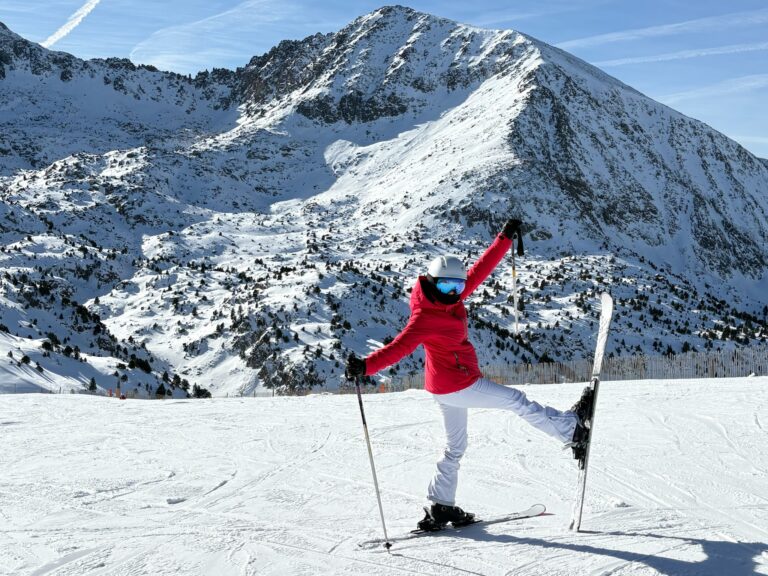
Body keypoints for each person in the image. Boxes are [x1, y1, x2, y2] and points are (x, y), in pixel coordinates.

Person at [345, 219, 594, 531]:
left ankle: (441, 505)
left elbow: (479, 270)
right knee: (516, 400)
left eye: (458, 287)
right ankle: (570, 431)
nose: (455, 292)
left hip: (443, 386)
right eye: (448, 287)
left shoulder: (449, 299)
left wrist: (504, 239)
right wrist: (366, 367)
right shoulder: (424, 317)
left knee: (455, 447)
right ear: (433, 283)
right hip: (459, 384)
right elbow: (399, 348)